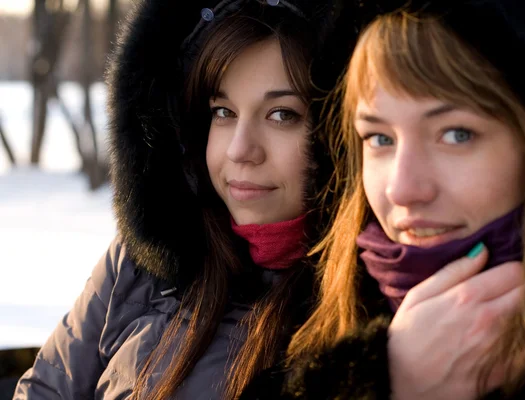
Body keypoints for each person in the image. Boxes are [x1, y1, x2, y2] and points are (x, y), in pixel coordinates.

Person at [240, 1, 525, 399]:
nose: (402, 189)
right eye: (380, 139)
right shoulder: (306, 332)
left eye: (456, 135)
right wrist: (390, 380)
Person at [12, 0, 346, 399]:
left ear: (336, 134)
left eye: (282, 115)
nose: (241, 150)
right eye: (223, 112)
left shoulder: (365, 311)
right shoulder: (142, 263)